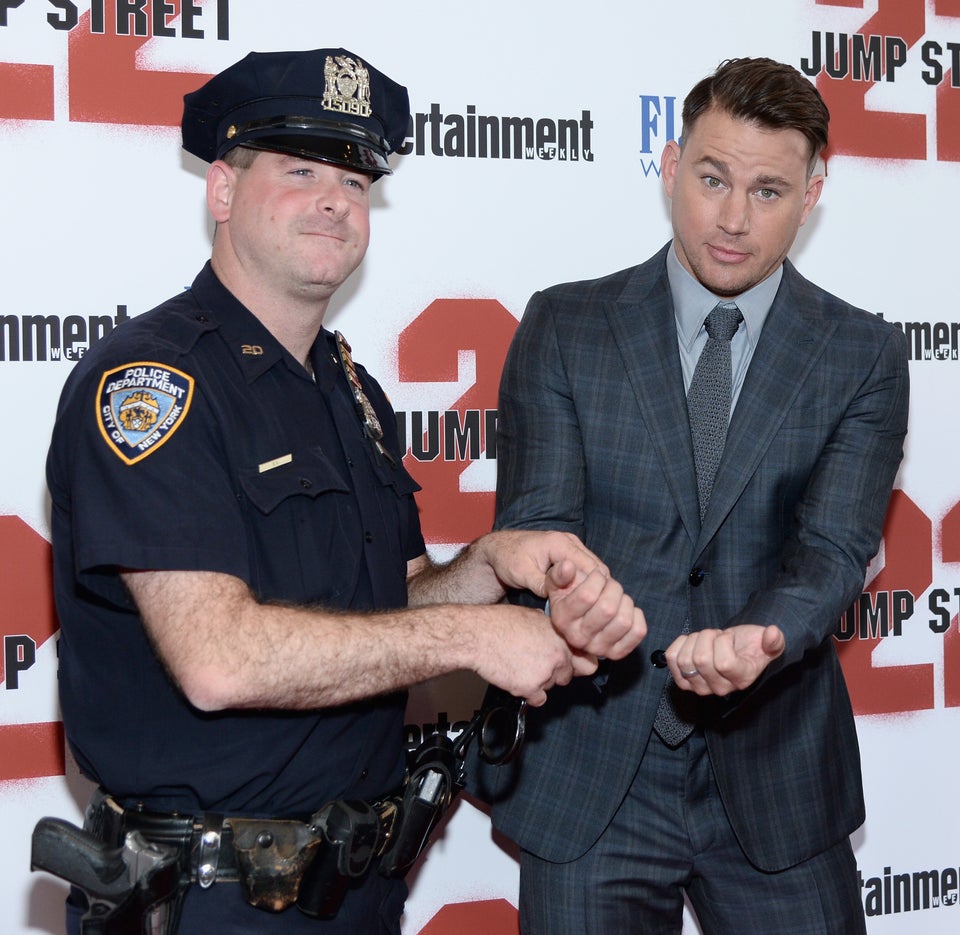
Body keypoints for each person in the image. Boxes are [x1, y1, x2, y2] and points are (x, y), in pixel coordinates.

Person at [44, 48, 646, 934]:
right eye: (300, 172)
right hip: (210, 901)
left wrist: (491, 564)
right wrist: (476, 633)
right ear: (222, 190)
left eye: (356, 182)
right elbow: (218, 659)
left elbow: (390, 603)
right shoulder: (152, 383)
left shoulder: (352, 390)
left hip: (357, 887)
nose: (335, 200)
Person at [474, 57, 910, 934]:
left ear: (813, 194)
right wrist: (574, 599)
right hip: (594, 764)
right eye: (712, 179)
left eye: (769, 190)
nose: (735, 219)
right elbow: (536, 525)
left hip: (777, 770)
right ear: (670, 168)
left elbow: (832, 548)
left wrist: (766, 634)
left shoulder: (861, 354)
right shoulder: (565, 325)